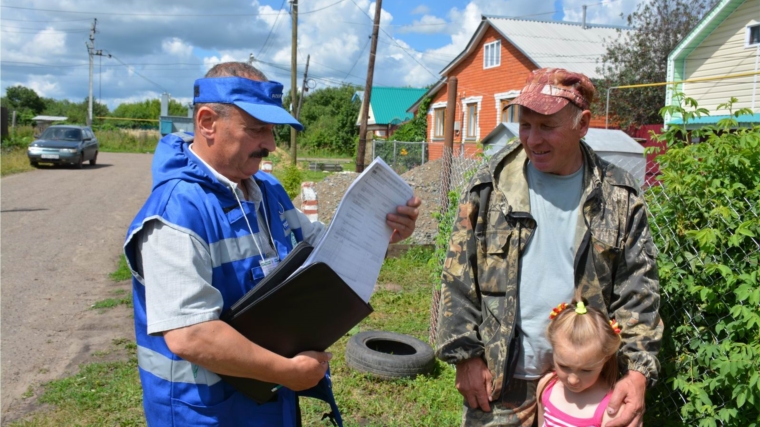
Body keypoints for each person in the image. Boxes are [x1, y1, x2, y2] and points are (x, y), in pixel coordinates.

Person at [123, 62, 421, 427]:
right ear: (206, 122)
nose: (270, 144)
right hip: (202, 415)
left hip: (268, 403)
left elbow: (326, 248)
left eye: (272, 130)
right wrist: (286, 371)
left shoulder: (268, 192)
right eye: (256, 129)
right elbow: (191, 336)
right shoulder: (176, 211)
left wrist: (384, 235)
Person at [435, 67, 663, 427]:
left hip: (588, 380)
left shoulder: (619, 195)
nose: (532, 139)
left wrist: (636, 374)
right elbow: (458, 278)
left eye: (547, 127)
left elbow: (638, 291)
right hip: (502, 381)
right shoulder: (490, 187)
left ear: (582, 124)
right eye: (526, 125)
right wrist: (465, 356)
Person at [536, 299, 623, 427]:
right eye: (564, 366)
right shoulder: (546, 386)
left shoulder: (610, 409)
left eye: (586, 370)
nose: (572, 380)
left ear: (606, 358)